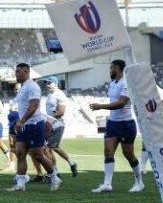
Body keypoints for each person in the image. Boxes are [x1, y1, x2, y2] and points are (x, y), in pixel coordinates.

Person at [88, 60, 145, 193]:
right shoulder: (113, 84)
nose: (110, 71)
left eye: (111, 68)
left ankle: (139, 182)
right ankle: (107, 184)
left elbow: (121, 103)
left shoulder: (126, 83)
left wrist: (101, 106)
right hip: (113, 123)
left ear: (117, 68)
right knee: (108, 152)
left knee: (128, 154)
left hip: (126, 124)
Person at [9, 63, 61, 192]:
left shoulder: (32, 86)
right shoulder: (22, 88)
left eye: (18, 71)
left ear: (26, 72)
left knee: (38, 155)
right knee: (20, 153)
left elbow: (34, 106)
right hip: (23, 126)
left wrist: (22, 120)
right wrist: (19, 121)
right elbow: (23, 107)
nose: (16, 74)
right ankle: (20, 184)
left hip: (34, 125)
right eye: (16, 71)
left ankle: (55, 178)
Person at [40, 77, 78, 178]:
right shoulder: (49, 95)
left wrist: (48, 119)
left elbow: (61, 112)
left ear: (56, 83)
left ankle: (57, 170)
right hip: (50, 124)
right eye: (46, 83)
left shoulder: (60, 94)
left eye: (49, 83)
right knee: (50, 148)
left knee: (49, 147)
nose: (47, 84)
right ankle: (57, 170)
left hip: (57, 124)